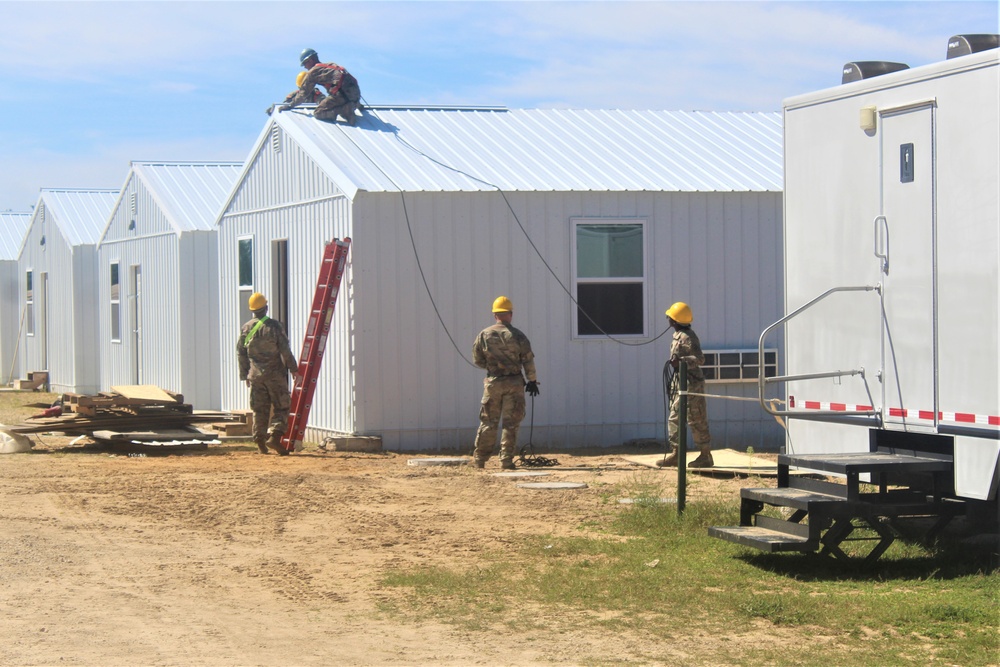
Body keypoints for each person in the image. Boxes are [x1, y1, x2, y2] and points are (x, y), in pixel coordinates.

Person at [471, 296, 539, 470]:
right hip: (514, 383)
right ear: (510, 314)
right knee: (511, 423)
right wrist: (532, 380)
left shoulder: (484, 335)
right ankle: (506, 461)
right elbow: (528, 360)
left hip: (493, 382)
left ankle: (480, 460)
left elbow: (477, 360)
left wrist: (494, 367)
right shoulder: (518, 336)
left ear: (495, 315)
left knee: (488, 421)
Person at [237, 292, 299, 455]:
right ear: (266, 307)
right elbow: (285, 350)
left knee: (260, 409)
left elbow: (241, 353)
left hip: (255, 376)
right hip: (274, 375)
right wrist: (294, 369)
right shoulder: (274, 327)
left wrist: (245, 375)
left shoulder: (246, 328)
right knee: (282, 406)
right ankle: (275, 437)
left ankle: (260, 443)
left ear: (252, 310)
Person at [657, 302, 714, 468]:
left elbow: (700, 359)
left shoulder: (688, 337)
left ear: (674, 320)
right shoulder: (678, 335)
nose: (668, 319)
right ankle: (676, 454)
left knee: (696, 419)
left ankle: (705, 456)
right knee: (674, 417)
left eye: (670, 317)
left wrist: (681, 362)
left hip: (691, 384)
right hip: (679, 382)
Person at [281, 48, 361, 125]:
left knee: (319, 113)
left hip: (342, 95)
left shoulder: (313, 72)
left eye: (305, 63)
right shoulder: (331, 65)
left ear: (311, 60)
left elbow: (303, 93)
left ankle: (345, 110)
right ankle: (352, 106)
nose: (305, 67)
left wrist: (290, 106)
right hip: (355, 94)